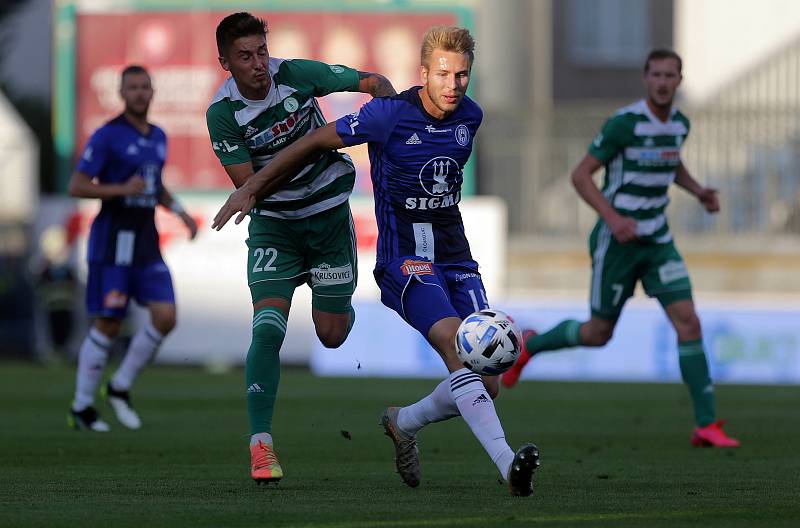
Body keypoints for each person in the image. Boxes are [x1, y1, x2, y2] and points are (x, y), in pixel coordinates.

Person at [212, 25, 540, 496]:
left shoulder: (472, 116)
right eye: (443, 74)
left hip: (457, 258)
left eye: (462, 75)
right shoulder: (387, 117)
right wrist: (251, 188)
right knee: (460, 346)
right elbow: (311, 142)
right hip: (405, 262)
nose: (453, 85)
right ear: (424, 72)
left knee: (486, 381)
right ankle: (509, 466)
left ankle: (403, 422)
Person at [501, 49, 739, 448]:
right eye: (656, 75)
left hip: (657, 241)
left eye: (670, 76)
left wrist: (699, 191)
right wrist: (613, 219)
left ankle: (706, 424)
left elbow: (671, 162)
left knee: (689, 322)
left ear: (679, 81)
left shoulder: (679, 124)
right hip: (618, 243)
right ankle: (531, 344)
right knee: (597, 334)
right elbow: (580, 176)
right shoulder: (624, 124)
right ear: (646, 79)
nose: (663, 82)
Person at [205, 12, 396, 484]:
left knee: (332, 336)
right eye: (245, 57)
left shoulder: (297, 75)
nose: (259, 64)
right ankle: (260, 447)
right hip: (276, 229)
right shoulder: (222, 115)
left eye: (262, 52)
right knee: (268, 329)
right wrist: (312, 147)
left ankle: (339, 295)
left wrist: (392, 118)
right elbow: (252, 188)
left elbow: (374, 81)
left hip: (328, 216)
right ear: (225, 63)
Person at [68, 65, 198, 432]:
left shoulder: (159, 136)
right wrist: (119, 189)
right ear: (122, 94)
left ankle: (120, 385)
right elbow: (77, 185)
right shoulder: (107, 136)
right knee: (108, 323)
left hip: (146, 242)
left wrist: (181, 213)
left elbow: (154, 187)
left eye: (145, 87)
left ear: (153, 91)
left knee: (166, 316)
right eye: (133, 88)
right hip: (113, 241)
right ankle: (81, 408)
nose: (140, 93)